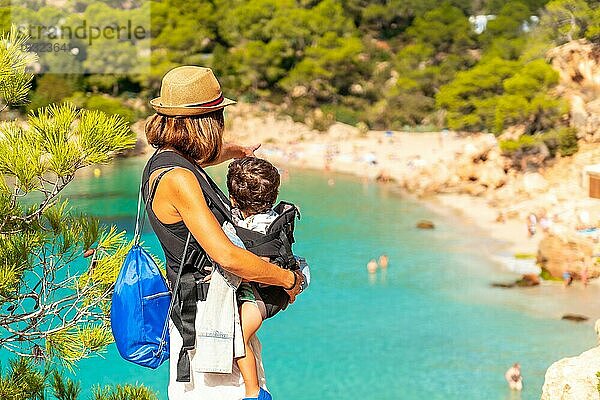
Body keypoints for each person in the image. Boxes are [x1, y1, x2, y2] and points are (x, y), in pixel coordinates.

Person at [143, 66, 304, 400]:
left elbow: (205, 154)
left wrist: (238, 151)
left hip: (203, 320)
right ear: (208, 120)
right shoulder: (180, 179)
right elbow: (226, 256)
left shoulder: (167, 162)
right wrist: (287, 280)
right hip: (210, 328)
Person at [226, 157, 307, 400]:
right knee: (240, 337)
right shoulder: (272, 219)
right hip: (274, 287)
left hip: (263, 293)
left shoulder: (239, 225)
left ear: (233, 199)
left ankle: (254, 392)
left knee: (238, 338)